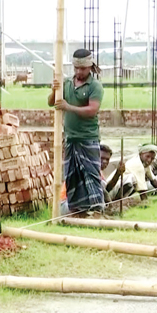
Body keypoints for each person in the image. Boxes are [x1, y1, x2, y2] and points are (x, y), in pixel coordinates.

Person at [48, 48, 105, 217]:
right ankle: (77, 210)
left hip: (88, 138)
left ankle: (96, 210)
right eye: (76, 68)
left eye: (83, 69)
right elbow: (52, 103)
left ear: (90, 67)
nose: (79, 72)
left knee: (91, 174)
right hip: (71, 138)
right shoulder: (66, 84)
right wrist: (54, 91)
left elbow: (92, 110)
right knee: (72, 175)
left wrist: (68, 107)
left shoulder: (95, 86)